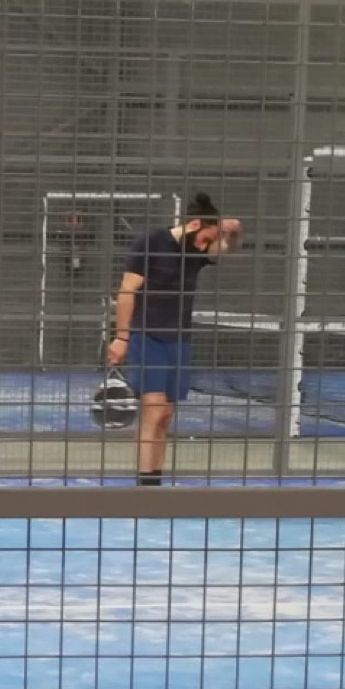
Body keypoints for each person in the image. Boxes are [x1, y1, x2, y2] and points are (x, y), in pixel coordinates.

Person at [107, 190, 243, 483]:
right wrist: (122, 337)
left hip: (179, 341)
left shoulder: (197, 252)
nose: (206, 245)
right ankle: (146, 485)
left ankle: (155, 478)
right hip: (147, 337)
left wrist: (232, 232)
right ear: (194, 225)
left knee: (166, 414)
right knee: (154, 410)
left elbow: (226, 248)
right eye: (206, 238)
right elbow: (127, 290)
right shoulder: (151, 242)